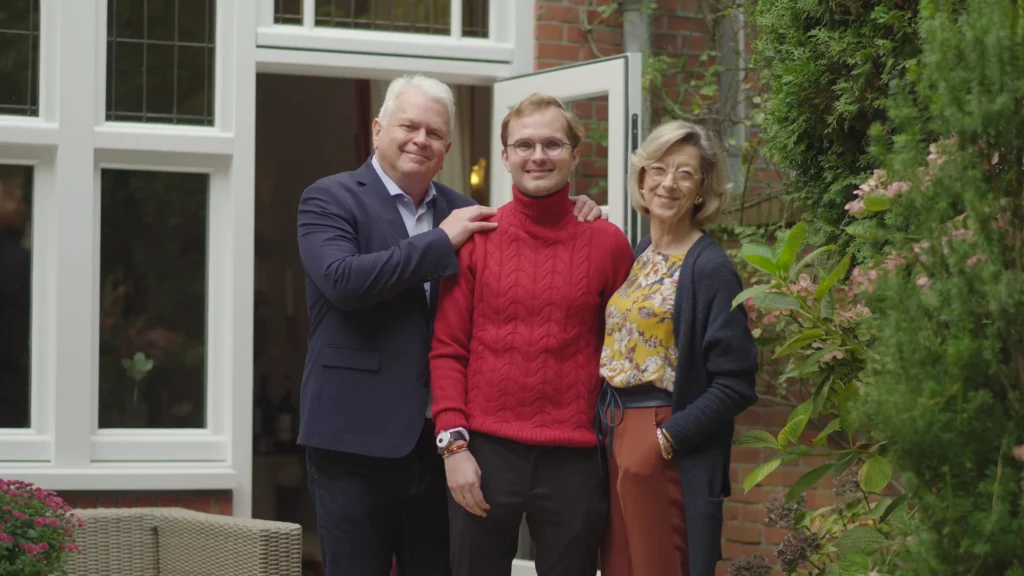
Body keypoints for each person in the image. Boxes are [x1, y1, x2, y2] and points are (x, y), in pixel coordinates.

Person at [295, 75, 604, 576]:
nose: (421, 139)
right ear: (377, 130)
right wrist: (440, 243)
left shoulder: (464, 211)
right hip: (353, 440)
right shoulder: (330, 198)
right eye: (408, 126)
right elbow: (342, 281)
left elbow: (530, 244)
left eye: (434, 133)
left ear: (447, 148)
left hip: (441, 447)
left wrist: (576, 212)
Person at [429, 93, 636, 576]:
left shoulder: (607, 243)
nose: (537, 156)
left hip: (576, 459)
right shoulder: (477, 238)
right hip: (484, 451)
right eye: (523, 145)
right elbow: (447, 350)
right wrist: (454, 448)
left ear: (574, 155)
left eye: (552, 144)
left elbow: (625, 352)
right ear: (505, 156)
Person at [596, 120, 759, 576]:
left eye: (685, 174)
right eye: (658, 169)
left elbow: (736, 382)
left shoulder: (710, 268)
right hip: (613, 430)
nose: (668, 183)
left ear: (702, 190)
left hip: (662, 434)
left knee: (660, 567)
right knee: (620, 568)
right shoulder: (640, 253)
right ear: (642, 178)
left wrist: (667, 439)